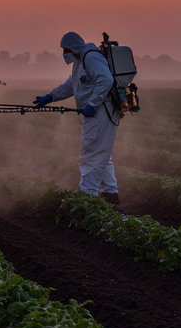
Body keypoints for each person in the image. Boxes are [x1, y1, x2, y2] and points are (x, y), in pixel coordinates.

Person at [33, 32, 121, 204]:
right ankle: (111, 194)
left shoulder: (91, 58)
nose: (64, 53)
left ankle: (87, 197)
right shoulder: (80, 62)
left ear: (73, 48)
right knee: (102, 154)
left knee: (91, 154)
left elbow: (106, 80)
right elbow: (71, 86)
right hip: (95, 114)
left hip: (101, 113)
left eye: (65, 50)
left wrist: (93, 104)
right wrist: (50, 97)